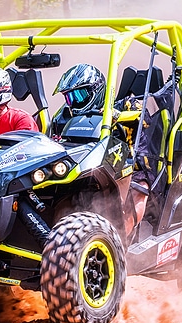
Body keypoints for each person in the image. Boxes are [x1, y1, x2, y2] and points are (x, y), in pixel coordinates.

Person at [54, 63, 149, 240]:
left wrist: (116, 115)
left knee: (139, 190)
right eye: (69, 97)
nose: (73, 102)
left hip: (131, 163)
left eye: (79, 95)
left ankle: (121, 242)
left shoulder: (125, 104)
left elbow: (142, 119)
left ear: (95, 90)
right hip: (83, 165)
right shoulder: (64, 115)